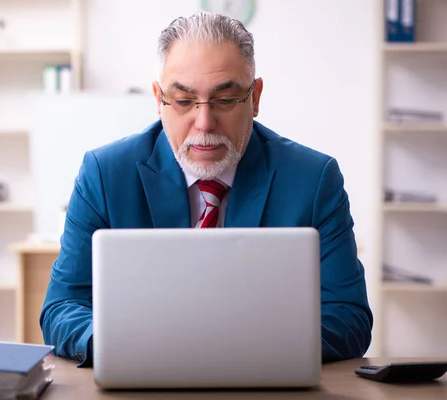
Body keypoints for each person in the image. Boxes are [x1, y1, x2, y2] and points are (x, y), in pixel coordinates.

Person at [39, 11, 373, 367]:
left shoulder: (314, 179)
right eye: (183, 101)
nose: (204, 122)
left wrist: (237, 347)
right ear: (158, 99)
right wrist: (119, 345)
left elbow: (349, 317)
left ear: (255, 97)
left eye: (225, 100)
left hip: (263, 381)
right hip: (143, 375)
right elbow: (62, 307)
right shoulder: (104, 174)